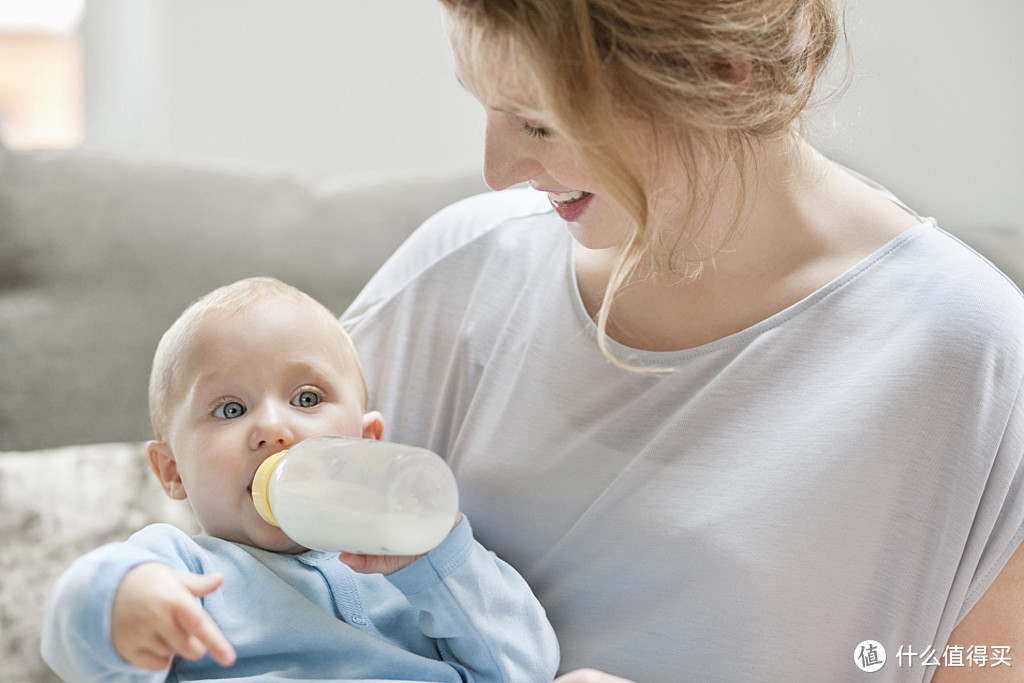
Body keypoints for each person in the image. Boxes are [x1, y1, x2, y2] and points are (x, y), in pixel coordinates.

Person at [340, 1, 1024, 681]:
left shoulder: (974, 365)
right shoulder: (460, 272)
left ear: (719, 77)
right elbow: (263, 543)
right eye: (486, 106)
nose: (498, 167)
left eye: (540, 123)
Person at [40, 277, 559, 682]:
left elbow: (523, 669)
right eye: (230, 409)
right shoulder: (182, 569)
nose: (272, 428)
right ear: (173, 471)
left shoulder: (422, 571)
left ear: (367, 443)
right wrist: (121, 597)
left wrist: (437, 557)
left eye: (307, 399)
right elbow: (77, 644)